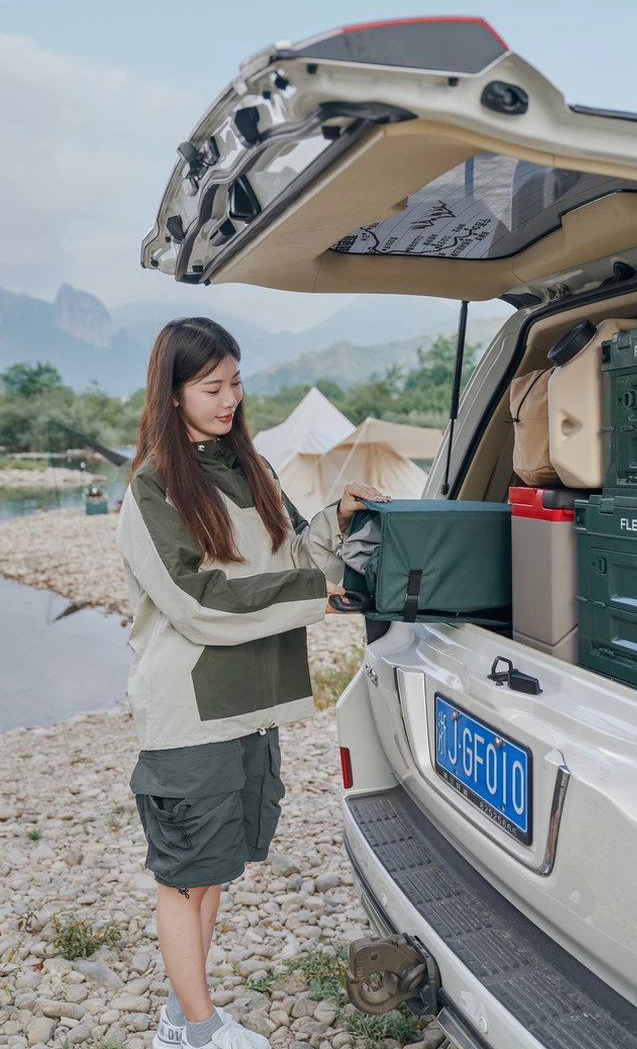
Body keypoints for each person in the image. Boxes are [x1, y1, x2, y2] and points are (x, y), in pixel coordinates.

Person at [116, 317, 388, 1049]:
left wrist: (339, 519)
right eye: (211, 387)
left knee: (210, 872)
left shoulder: (253, 468)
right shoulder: (151, 489)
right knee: (183, 878)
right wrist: (313, 594)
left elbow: (294, 555)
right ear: (172, 394)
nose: (230, 398)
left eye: (235, 381)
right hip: (190, 713)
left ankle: (181, 1018)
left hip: (250, 705)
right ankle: (200, 1030)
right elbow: (197, 601)